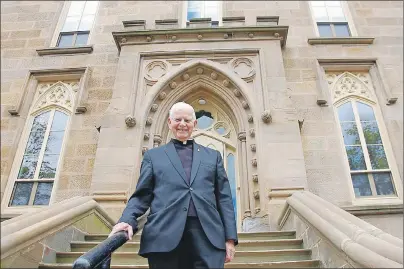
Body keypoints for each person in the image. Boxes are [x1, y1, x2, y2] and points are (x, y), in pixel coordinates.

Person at [109, 102, 238, 268]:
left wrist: (230, 239)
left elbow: (224, 199)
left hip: (208, 236)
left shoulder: (213, 156)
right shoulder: (153, 156)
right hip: (164, 234)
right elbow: (142, 196)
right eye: (178, 119)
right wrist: (127, 219)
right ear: (169, 123)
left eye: (187, 120)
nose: (183, 124)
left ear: (194, 124)